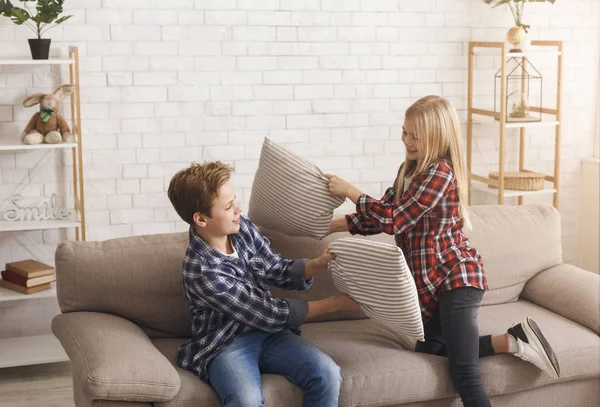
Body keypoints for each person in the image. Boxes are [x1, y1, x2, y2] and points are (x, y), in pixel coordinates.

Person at [324, 95, 560, 407]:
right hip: (432, 286)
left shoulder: (441, 173)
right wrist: (331, 226)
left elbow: (395, 219)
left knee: (463, 371)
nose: (406, 140)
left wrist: (350, 191)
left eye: (415, 136)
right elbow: (381, 216)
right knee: (430, 348)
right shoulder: (407, 170)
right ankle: (515, 341)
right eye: (404, 133)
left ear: (436, 136)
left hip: (457, 279)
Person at [167, 161, 359, 407]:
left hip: (270, 334)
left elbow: (273, 267)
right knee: (246, 401)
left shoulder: (242, 227)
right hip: (225, 343)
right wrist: (336, 304)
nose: (238, 208)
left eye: (235, 200)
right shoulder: (202, 271)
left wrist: (317, 264)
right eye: (228, 206)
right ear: (201, 219)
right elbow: (267, 312)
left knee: (327, 374)